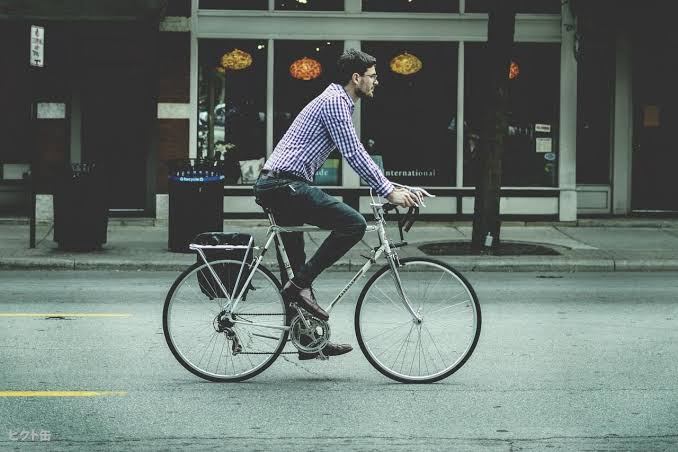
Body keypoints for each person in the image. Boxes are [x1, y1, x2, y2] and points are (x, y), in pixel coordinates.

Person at [253, 49, 419, 360]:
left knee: (298, 266)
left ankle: (307, 339)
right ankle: (298, 287)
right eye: (372, 76)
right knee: (353, 224)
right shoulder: (334, 104)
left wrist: (397, 187)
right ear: (356, 78)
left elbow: (356, 155)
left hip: (282, 184)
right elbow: (354, 153)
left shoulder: (337, 102)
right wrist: (387, 191)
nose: (376, 82)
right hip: (283, 185)